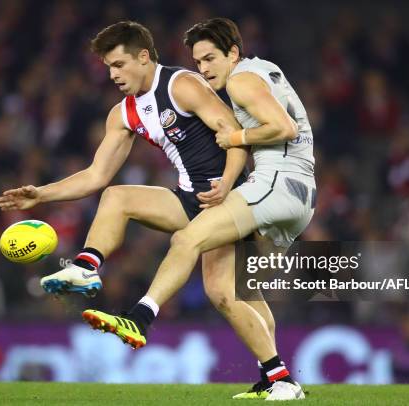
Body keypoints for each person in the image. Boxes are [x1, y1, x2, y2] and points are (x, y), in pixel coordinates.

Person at [0, 20, 277, 378]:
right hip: (192, 199)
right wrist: (41, 195)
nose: (112, 74)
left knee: (224, 293)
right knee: (116, 196)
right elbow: (96, 176)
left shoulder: (183, 85)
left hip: (231, 198)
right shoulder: (124, 113)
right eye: (108, 67)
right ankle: (86, 268)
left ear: (143, 57)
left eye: (118, 64)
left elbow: (233, 134)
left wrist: (225, 184)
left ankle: (276, 375)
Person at [82, 18, 315, 401]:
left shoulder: (241, 79)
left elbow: (285, 128)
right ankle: (277, 377)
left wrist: (235, 137)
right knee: (227, 291)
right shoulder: (265, 71)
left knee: (187, 238)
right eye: (198, 61)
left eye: (210, 59)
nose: (203, 70)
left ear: (234, 53)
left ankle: (140, 317)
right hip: (295, 189)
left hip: (275, 185)